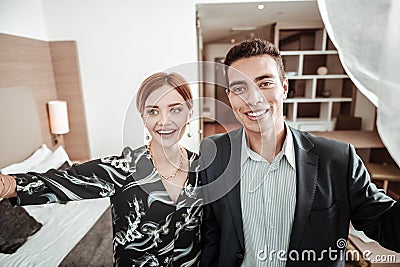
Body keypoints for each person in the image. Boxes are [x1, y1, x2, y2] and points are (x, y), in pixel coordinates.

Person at [199, 39, 400, 267]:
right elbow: (210, 232)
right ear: (229, 96)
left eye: (264, 83)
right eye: (240, 88)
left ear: (284, 87)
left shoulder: (337, 159)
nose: (252, 99)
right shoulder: (213, 153)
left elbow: (387, 225)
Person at [0, 72, 203, 267]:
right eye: (153, 111)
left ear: (190, 113)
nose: (164, 121)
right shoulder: (122, 168)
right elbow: (66, 180)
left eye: (175, 109)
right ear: (143, 117)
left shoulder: (202, 168)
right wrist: (8, 184)